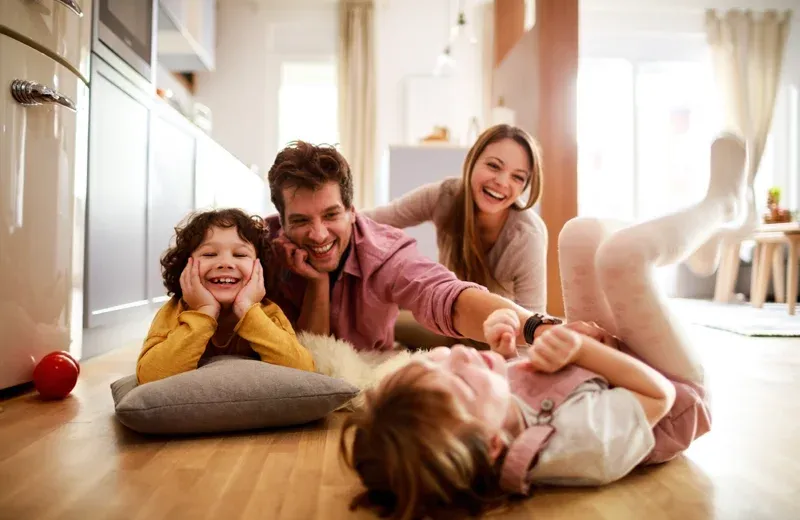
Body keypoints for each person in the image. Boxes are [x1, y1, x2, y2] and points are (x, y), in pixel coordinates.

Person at [339, 133, 747, 520]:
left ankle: (696, 235)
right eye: (494, 166)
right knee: (623, 257)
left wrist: (507, 350)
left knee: (579, 234)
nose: (459, 353)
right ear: (495, 444)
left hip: (606, 364)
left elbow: (532, 337)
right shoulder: (576, 445)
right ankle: (724, 206)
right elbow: (657, 395)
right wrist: (580, 349)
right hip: (676, 393)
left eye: (440, 362)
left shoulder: (488, 411)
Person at [265, 141, 595, 355]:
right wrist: (317, 282)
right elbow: (390, 214)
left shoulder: (387, 255)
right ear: (282, 221)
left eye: (331, 214)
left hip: (495, 323)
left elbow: (444, 294)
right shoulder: (263, 244)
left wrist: (537, 327)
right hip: (451, 329)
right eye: (301, 221)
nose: (318, 233)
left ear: (352, 212)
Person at [363, 124, 547, 349]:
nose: (502, 182)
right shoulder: (445, 196)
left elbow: (533, 327)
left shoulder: (527, 236)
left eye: (517, 178)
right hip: (448, 322)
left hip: (495, 339)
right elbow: (373, 220)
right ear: (472, 161)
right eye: (493, 166)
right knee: (371, 324)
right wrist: (328, 220)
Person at [136, 208, 315, 384]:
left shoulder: (269, 313)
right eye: (209, 254)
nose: (225, 263)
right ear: (186, 267)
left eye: (240, 254)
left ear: (259, 269)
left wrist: (247, 310)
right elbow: (149, 376)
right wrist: (205, 312)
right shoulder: (173, 312)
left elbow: (303, 371)